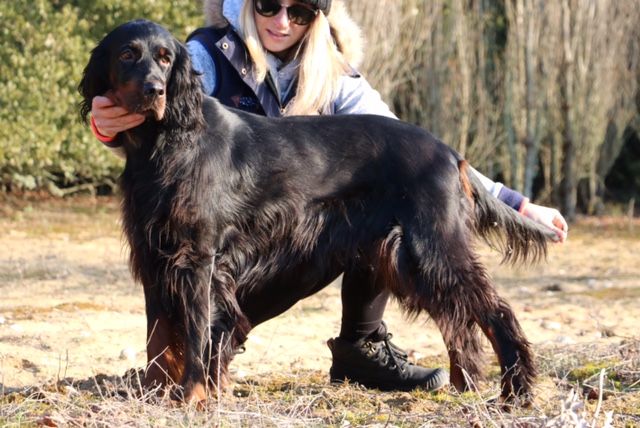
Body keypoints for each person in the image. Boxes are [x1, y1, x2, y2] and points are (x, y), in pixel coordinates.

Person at [90, 0, 568, 392]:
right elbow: (156, 103)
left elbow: (417, 148)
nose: (281, 21)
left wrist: (512, 201)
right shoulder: (205, 54)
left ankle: (456, 358)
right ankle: (188, 368)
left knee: (432, 267)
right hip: (241, 239)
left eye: (298, 12)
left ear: (316, 18)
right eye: (269, 5)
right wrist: (105, 123)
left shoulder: (334, 73)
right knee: (196, 270)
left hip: (302, 231)